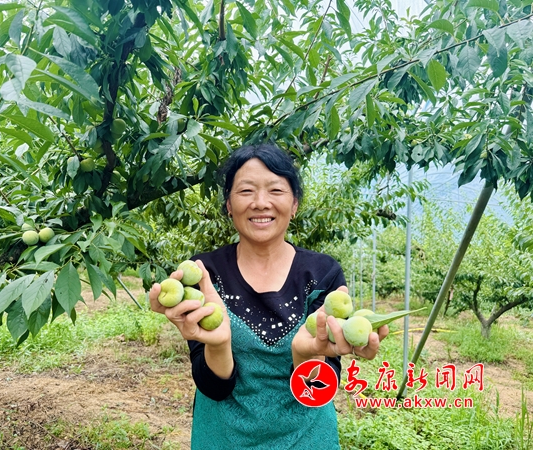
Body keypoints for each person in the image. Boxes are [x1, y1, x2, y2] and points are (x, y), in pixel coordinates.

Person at [149, 143, 388, 449]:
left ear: (294, 204)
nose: (261, 203)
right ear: (228, 204)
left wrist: (305, 354)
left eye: (275, 190)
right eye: (246, 191)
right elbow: (213, 388)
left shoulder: (322, 273)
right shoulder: (205, 274)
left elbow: (317, 392)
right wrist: (219, 344)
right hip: (223, 438)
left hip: (306, 438)